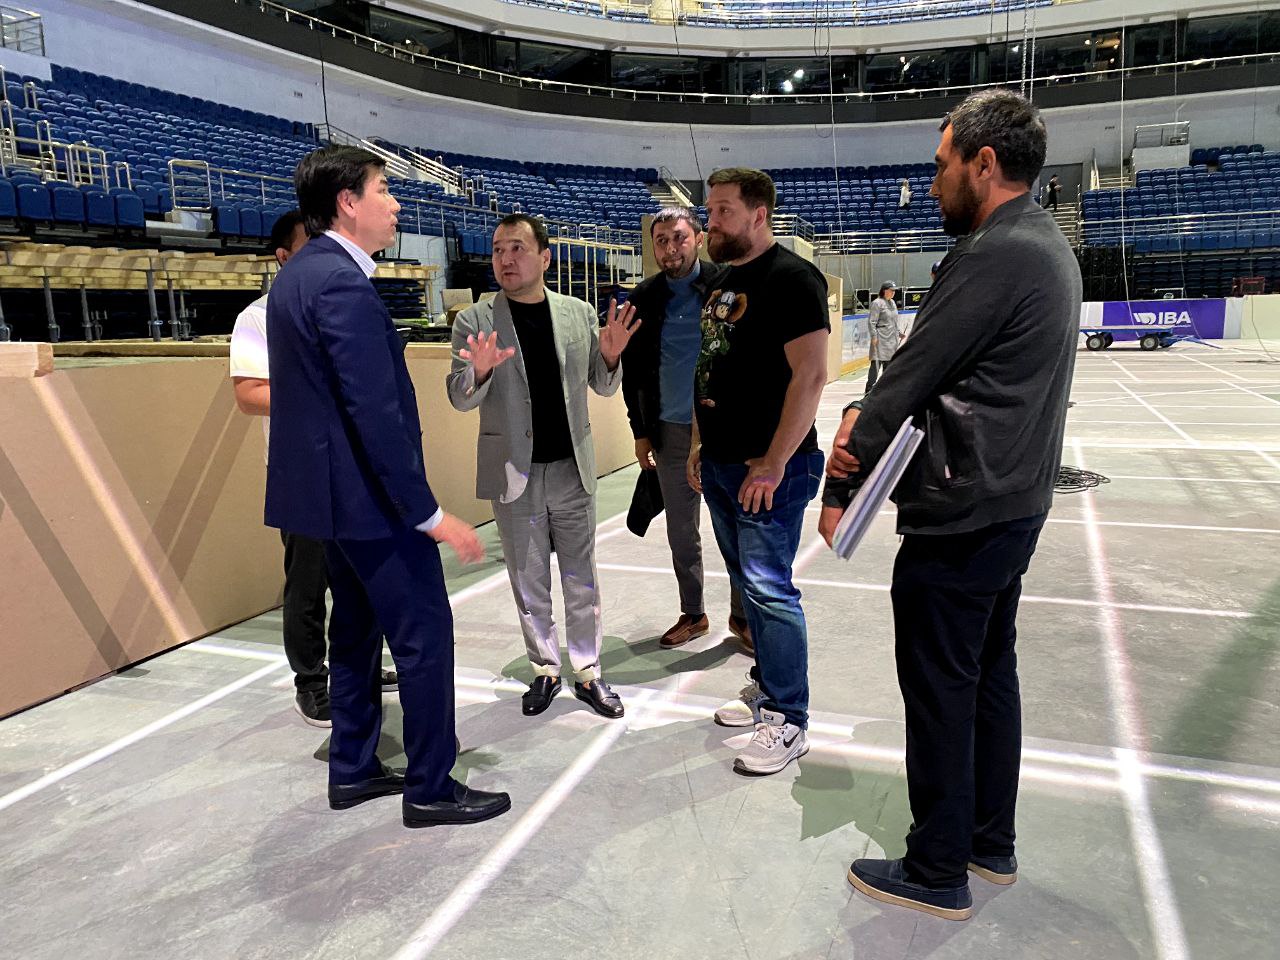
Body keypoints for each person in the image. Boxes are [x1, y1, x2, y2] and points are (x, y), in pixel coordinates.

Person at [820, 89, 1080, 920]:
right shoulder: (1047, 243)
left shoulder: (993, 252)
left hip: (962, 515)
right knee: (988, 676)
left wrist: (841, 480)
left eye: (941, 166)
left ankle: (937, 869)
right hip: (1012, 505)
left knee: (939, 691)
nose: (932, 183)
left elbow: (907, 377)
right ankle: (988, 843)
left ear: (984, 163)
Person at [266, 145, 510, 828]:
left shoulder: (298, 276)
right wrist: (427, 513)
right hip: (371, 503)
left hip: (330, 504)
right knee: (424, 636)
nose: (395, 203)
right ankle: (431, 785)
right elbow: (373, 414)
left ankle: (353, 767)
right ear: (348, 201)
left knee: (354, 633)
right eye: (383, 190)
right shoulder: (341, 285)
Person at [447, 214, 641, 720]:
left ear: (545, 257)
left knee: (581, 577)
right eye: (498, 250)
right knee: (528, 578)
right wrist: (478, 371)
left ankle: (589, 671)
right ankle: (545, 668)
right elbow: (459, 398)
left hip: (572, 468)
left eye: (517, 248)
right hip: (515, 472)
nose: (505, 259)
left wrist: (612, 358)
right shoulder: (475, 321)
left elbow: (602, 385)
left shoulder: (578, 313)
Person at [230, 210, 397, 728]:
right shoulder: (258, 317)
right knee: (307, 586)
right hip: (303, 472)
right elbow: (249, 394)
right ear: (283, 258)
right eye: (310, 245)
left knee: (362, 579)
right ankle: (311, 682)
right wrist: (324, 398)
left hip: (355, 468)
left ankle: (358, 665)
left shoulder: (343, 305)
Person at [690, 167, 829, 776]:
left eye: (723, 210)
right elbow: (709, 367)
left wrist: (774, 461)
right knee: (749, 587)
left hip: (770, 470)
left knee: (771, 591)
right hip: (722, 464)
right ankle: (768, 688)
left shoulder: (794, 279)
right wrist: (699, 443)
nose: (711, 221)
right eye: (710, 210)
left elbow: (812, 376)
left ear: (759, 213)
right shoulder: (721, 283)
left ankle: (789, 718)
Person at [622, 207, 748, 651]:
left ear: (697, 238)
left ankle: (742, 615)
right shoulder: (644, 297)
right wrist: (640, 431)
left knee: (734, 527)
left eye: (678, 237)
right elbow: (634, 373)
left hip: (723, 429)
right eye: (661, 240)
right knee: (681, 530)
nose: (670, 248)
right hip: (669, 431)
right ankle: (693, 613)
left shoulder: (727, 284)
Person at [865, 281, 901, 393]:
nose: (893, 292)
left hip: (891, 339)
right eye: (891, 290)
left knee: (889, 365)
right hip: (880, 338)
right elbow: (872, 322)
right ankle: (869, 388)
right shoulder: (877, 303)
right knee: (876, 364)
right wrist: (874, 336)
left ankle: (886, 388)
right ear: (884, 290)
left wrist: (899, 332)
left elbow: (894, 321)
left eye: (894, 290)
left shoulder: (893, 303)